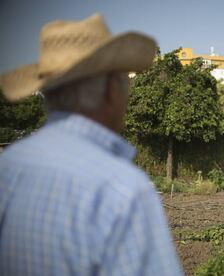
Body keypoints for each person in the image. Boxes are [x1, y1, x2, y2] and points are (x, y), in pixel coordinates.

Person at [0, 14, 183, 275]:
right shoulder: (124, 190)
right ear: (111, 89)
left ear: (49, 93)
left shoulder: (8, 164)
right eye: (125, 82)